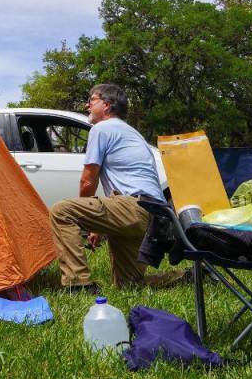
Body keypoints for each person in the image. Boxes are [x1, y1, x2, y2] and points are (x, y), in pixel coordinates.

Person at [49, 83, 168, 293]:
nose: (87, 105)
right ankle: (187, 277)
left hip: (133, 206)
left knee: (61, 212)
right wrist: (97, 225)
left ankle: (78, 284)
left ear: (107, 105)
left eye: (91, 100)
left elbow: (88, 180)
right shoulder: (132, 133)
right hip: (153, 215)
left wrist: (88, 219)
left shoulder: (102, 129)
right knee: (129, 285)